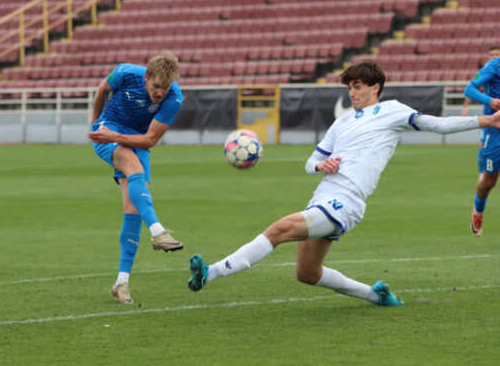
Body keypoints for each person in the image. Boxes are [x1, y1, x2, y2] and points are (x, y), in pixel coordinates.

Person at [188, 59, 500, 305]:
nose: (352, 92)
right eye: (350, 87)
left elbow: (436, 125)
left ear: (375, 88)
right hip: (323, 195)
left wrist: (486, 120)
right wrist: (320, 164)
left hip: (347, 200)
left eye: (358, 86)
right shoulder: (342, 122)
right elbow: (311, 162)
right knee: (307, 273)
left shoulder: (391, 111)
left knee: (279, 230)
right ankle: (374, 295)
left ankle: (210, 273)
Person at [88, 51, 185, 305]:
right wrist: (95, 123)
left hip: (135, 141)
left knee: (133, 209)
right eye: (155, 86)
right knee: (134, 169)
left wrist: (117, 138)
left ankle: (121, 283)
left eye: (165, 87)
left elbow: (150, 139)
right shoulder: (126, 73)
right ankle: (158, 231)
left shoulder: (174, 97)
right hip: (109, 129)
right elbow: (102, 89)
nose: (160, 92)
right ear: (146, 77)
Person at [463, 49, 500, 236]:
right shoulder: (493, 66)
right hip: (495, 131)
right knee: (489, 181)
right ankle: (478, 211)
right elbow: (468, 89)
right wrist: (489, 100)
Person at [461, 45, 500, 116]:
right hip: (492, 114)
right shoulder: (487, 70)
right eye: (492, 55)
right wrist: (466, 106)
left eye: (496, 54)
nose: (494, 56)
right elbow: (470, 89)